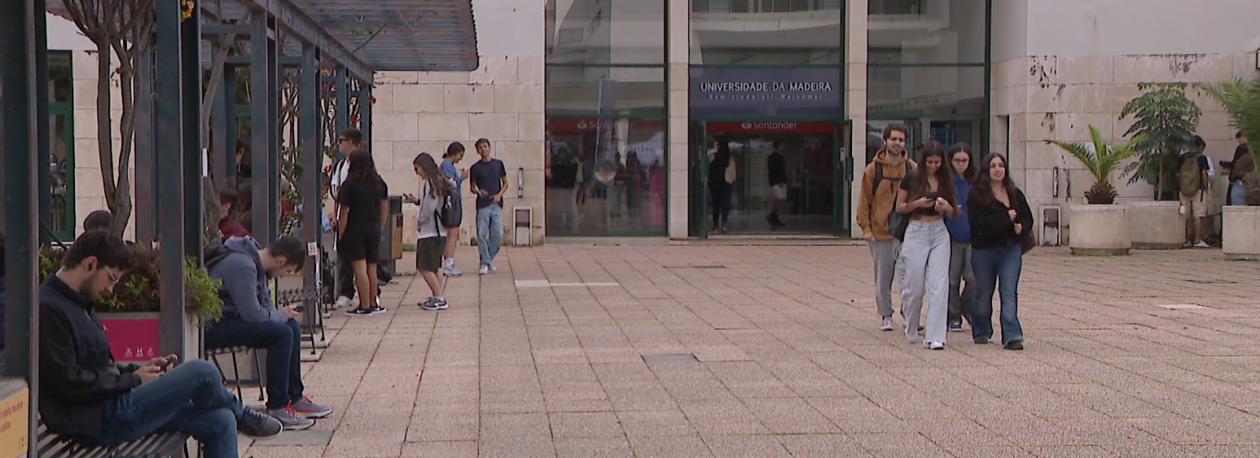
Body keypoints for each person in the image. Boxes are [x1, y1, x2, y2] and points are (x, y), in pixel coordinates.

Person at [39, 231, 282, 458]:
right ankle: (243, 416)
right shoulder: (49, 308)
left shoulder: (80, 303)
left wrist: (139, 371)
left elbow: (99, 367)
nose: (111, 289)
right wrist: (134, 380)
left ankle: (235, 415)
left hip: (109, 406)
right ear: (90, 264)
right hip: (95, 418)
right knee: (202, 371)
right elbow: (69, 382)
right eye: (111, 278)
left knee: (220, 420)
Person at [204, 235, 332, 430]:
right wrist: (280, 315)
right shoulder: (243, 265)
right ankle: (277, 406)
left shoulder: (256, 264)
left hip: (233, 319)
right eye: (287, 271)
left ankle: (294, 397)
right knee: (281, 333)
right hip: (214, 325)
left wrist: (282, 316)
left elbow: (265, 305)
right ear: (280, 261)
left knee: (291, 327)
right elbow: (253, 315)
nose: (283, 276)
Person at [895, 141, 958, 350]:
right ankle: (911, 322)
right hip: (916, 230)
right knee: (915, 286)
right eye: (930, 162)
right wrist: (918, 203)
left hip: (939, 231)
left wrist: (945, 206)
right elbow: (900, 207)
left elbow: (954, 212)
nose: (933, 166)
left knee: (939, 285)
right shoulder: (911, 178)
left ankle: (936, 336)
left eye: (937, 162)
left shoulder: (946, 179)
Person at [967, 153, 1032, 350]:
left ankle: (1012, 335)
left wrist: (1021, 227)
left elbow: (1027, 218)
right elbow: (979, 224)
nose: (997, 169)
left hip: (1009, 249)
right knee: (983, 293)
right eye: (993, 166)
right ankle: (981, 329)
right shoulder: (977, 195)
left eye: (1001, 166)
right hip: (984, 250)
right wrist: (1005, 218)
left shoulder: (1014, 193)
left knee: (1009, 292)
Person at [858, 124, 917, 332]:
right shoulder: (873, 169)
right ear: (885, 141)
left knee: (910, 277)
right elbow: (864, 200)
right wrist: (866, 228)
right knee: (883, 277)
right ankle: (886, 314)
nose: (897, 143)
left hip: (906, 232)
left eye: (901, 140)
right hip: (880, 232)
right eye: (893, 139)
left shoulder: (912, 168)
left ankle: (909, 313)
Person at [337, 149, 389, 316]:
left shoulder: (349, 185)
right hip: (373, 228)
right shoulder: (379, 183)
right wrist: (379, 228)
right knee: (372, 267)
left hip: (355, 229)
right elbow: (384, 209)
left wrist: (341, 233)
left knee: (360, 268)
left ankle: (364, 305)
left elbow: (344, 212)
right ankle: (374, 303)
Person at [405, 153, 455, 311]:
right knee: (435, 266)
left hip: (430, 231)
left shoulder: (431, 183)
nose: (417, 173)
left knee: (424, 266)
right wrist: (417, 201)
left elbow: (429, 207)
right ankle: (436, 295)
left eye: (417, 169)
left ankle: (439, 297)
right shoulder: (441, 180)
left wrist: (419, 222)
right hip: (441, 231)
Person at [329, 128, 368, 309]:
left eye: (341, 140)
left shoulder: (364, 165)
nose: (339, 144)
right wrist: (335, 215)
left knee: (361, 259)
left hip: (359, 217)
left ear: (351, 142)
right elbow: (338, 194)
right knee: (344, 255)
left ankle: (368, 294)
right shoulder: (340, 166)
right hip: (344, 215)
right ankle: (346, 291)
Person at [944, 143, 977, 333]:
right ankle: (953, 315)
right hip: (952, 236)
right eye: (958, 160)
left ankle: (967, 306)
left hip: (972, 236)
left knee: (973, 277)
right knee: (952, 279)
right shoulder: (946, 183)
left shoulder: (975, 182)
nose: (961, 164)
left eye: (965, 160)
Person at [469, 138, 508, 275]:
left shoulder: (498, 164)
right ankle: (485, 263)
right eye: (480, 148)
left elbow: (505, 183)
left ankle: (486, 261)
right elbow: (472, 187)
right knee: (482, 235)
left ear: (490, 148)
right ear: (477, 151)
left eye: (485, 146)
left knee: (497, 236)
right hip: (483, 205)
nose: (483, 149)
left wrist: (499, 195)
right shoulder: (475, 168)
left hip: (496, 204)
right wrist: (478, 192)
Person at [439, 142, 470, 277]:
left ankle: (449, 262)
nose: (460, 158)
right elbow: (451, 184)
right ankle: (449, 263)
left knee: (451, 234)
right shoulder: (447, 166)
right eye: (460, 155)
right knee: (453, 234)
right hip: (452, 203)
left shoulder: (448, 165)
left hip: (451, 202)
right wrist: (463, 176)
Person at [1177, 136, 1211, 248]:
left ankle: (1186, 239)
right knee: (1198, 215)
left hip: (1184, 190)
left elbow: (1178, 174)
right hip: (1198, 190)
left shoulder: (1182, 158)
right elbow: (1204, 174)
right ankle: (1197, 240)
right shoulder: (1201, 158)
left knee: (1185, 216)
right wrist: (1206, 188)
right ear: (1200, 146)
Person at [708, 140, 735, 234]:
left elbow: (710, 170)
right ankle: (724, 224)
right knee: (725, 204)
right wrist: (732, 180)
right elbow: (733, 172)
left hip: (715, 183)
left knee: (716, 204)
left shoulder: (713, 157)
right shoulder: (730, 158)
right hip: (727, 182)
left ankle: (715, 225)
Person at [1223, 131, 1253, 206]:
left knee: (1237, 207)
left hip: (1241, 181)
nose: (1239, 141)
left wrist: (1225, 164)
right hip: (1253, 182)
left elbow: (1236, 164)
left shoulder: (1242, 148)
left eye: (1239, 138)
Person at [766, 139, 788, 228]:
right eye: (782, 145)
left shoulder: (781, 156)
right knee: (779, 198)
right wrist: (779, 181)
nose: (784, 146)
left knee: (782, 198)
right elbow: (774, 170)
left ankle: (774, 215)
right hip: (777, 181)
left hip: (782, 181)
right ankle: (772, 215)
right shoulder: (774, 157)